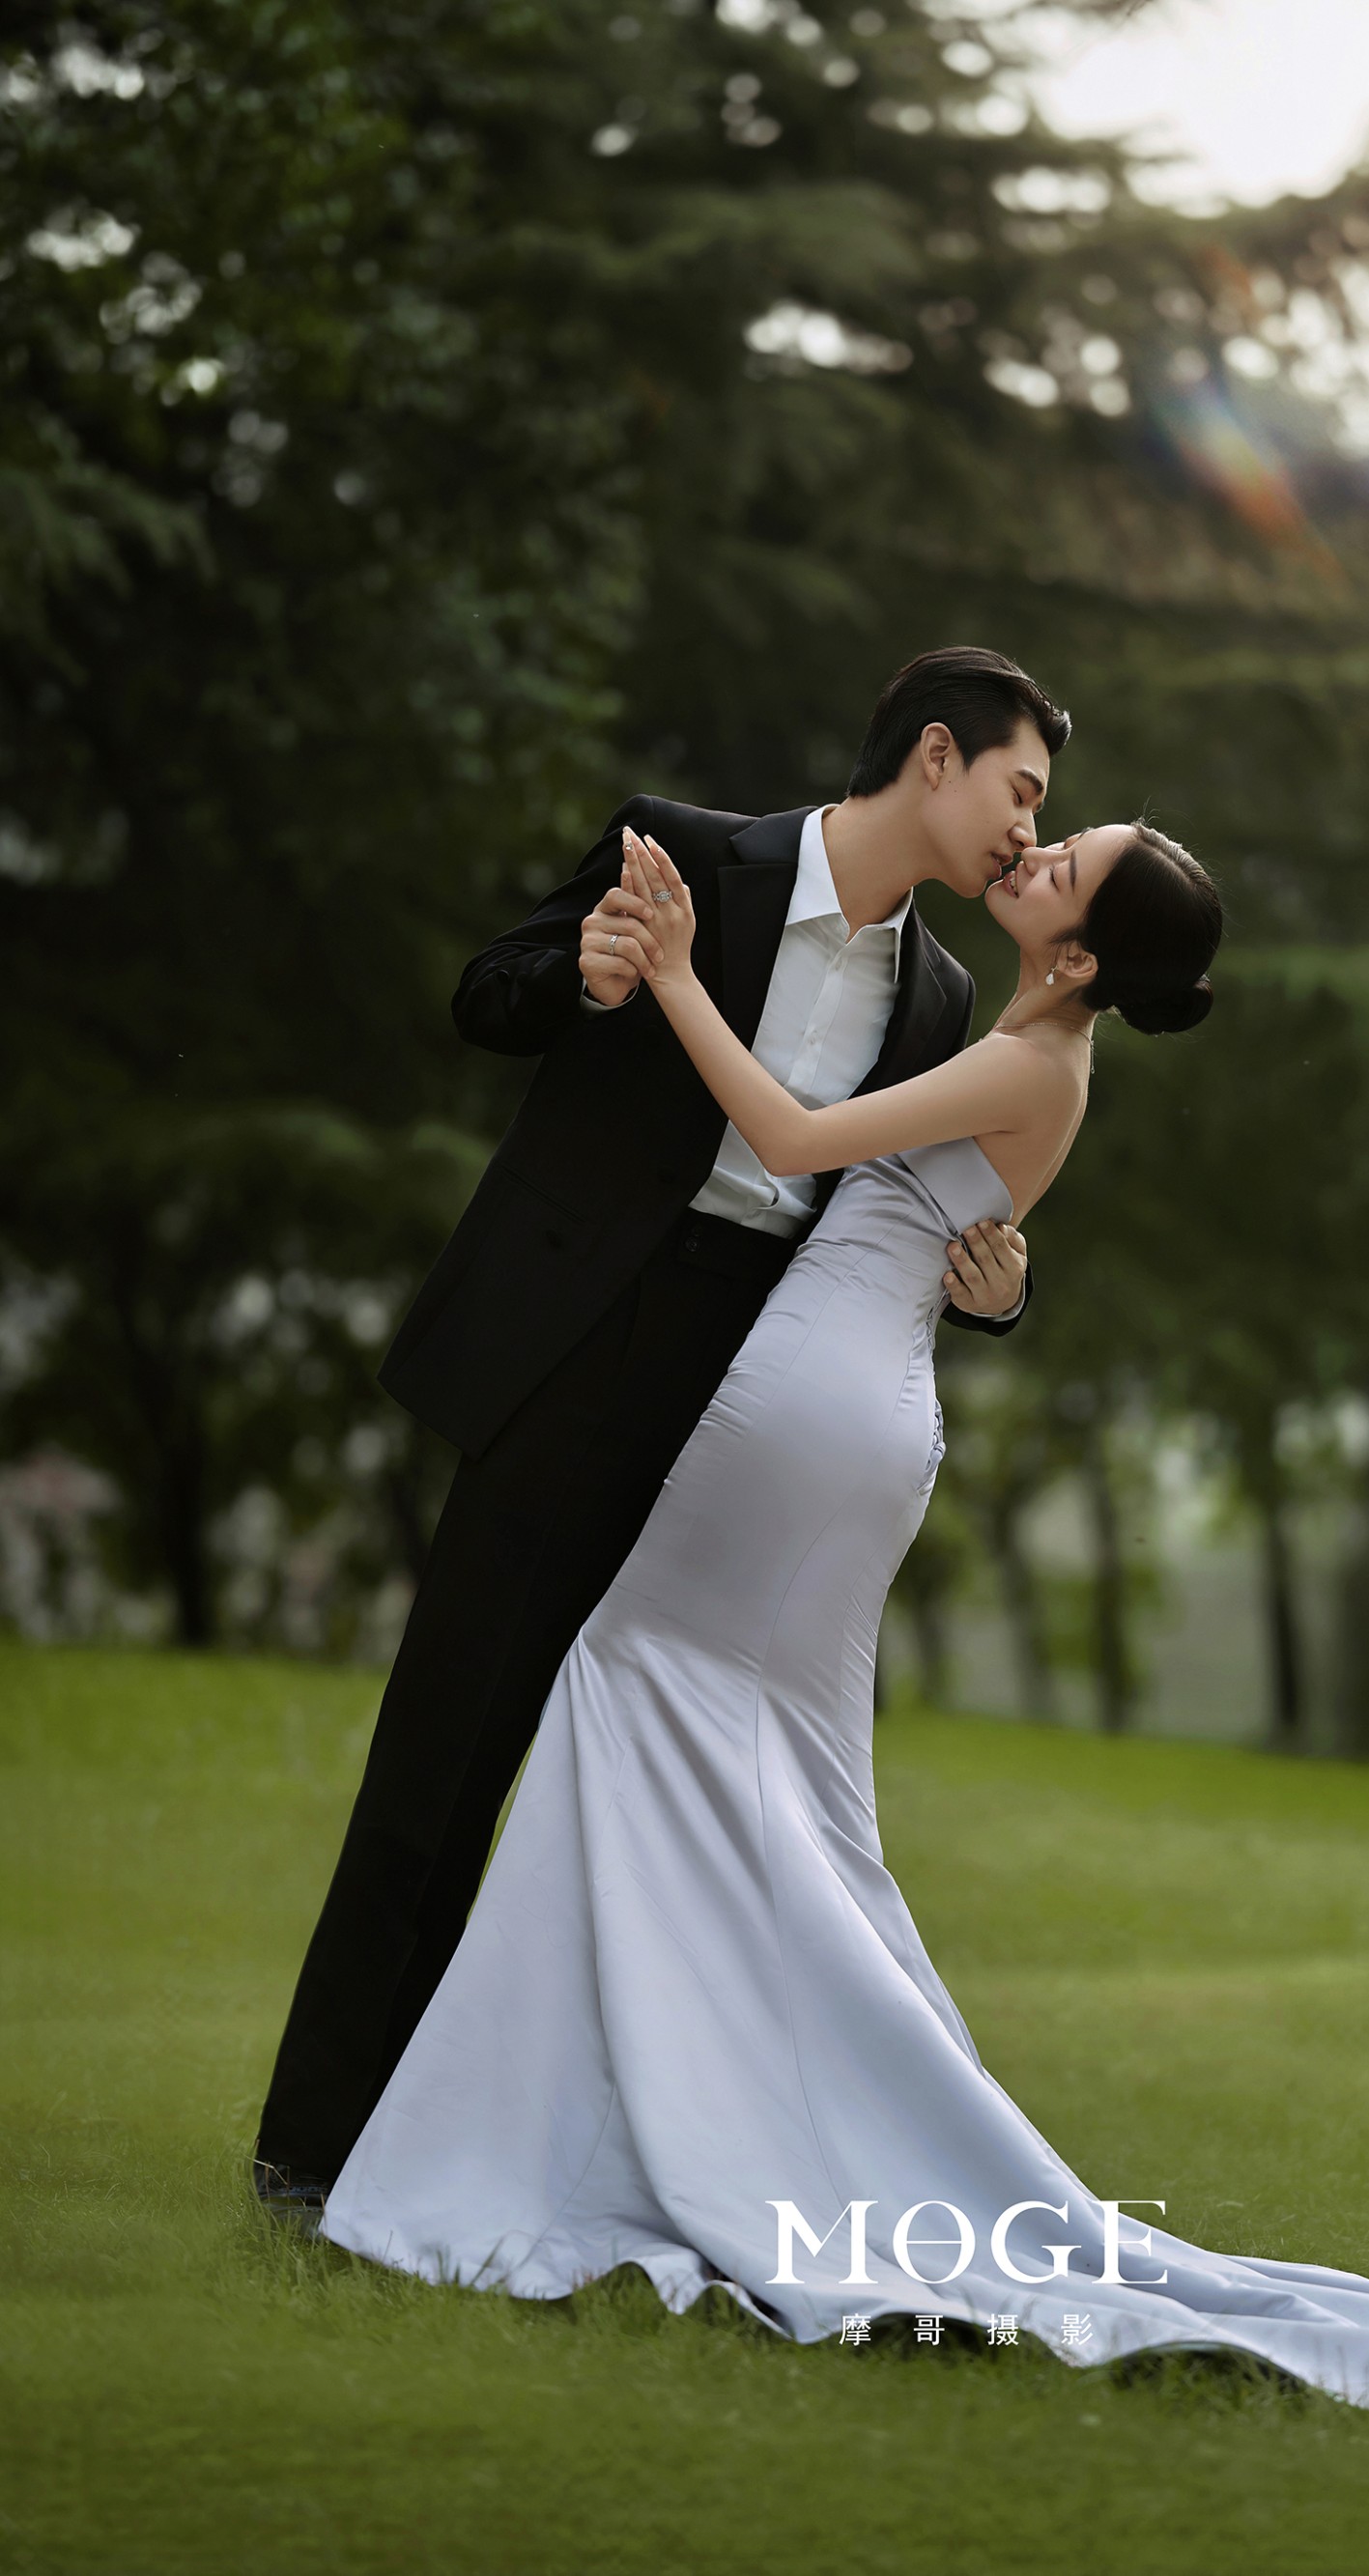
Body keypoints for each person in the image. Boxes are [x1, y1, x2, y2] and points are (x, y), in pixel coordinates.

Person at [318, 816, 1369, 2413]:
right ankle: (701, 2122)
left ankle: (595, 2137)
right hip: (843, 1405)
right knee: (771, 1791)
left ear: (1083, 954)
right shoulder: (1016, 1042)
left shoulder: (1035, 1061)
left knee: (640, 1689)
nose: (1031, 853)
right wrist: (1001, 1275)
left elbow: (787, 1134)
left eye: (1063, 866)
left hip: (815, 1416)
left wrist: (683, 976)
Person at [253, 646, 1068, 2208]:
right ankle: (318, 2156)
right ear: (936, 756)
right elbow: (485, 994)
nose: (1027, 834)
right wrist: (589, 975)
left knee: (678, 1804)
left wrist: (1004, 1292)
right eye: (1020, 792)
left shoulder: (946, 998)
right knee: (444, 1759)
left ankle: (632, 2164)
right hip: (572, 1349)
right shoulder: (682, 854)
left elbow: (925, 1208)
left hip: (748, 1405)